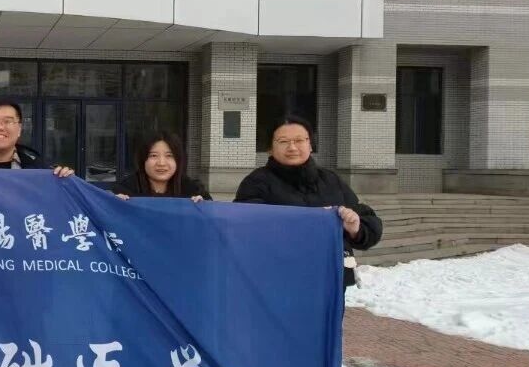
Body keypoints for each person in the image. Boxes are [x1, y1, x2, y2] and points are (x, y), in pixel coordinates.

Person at [234, 115, 383, 287]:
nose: (292, 147)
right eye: (283, 141)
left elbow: (368, 221)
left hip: (329, 281)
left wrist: (355, 229)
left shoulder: (331, 180)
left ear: (310, 145)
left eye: (299, 140)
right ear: (270, 148)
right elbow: (243, 227)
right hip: (277, 281)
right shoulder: (256, 183)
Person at [112, 131, 209, 202]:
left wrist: (204, 206)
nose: (161, 163)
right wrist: (113, 204)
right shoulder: (125, 189)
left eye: (169, 156)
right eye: (153, 155)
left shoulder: (193, 190)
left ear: (178, 160)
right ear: (143, 160)